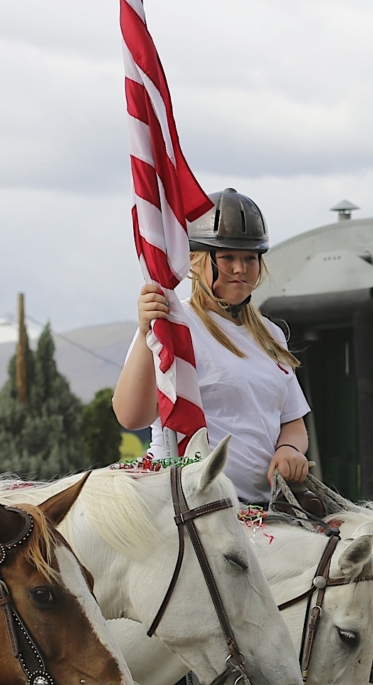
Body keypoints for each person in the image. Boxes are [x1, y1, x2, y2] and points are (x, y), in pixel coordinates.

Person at [112, 189, 311, 503]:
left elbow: (292, 422)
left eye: (249, 258)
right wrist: (144, 332)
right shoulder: (174, 324)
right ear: (195, 260)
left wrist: (289, 450)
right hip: (189, 507)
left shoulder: (271, 334)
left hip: (263, 507)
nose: (240, 269)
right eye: (227, 257)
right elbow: (131, 415)